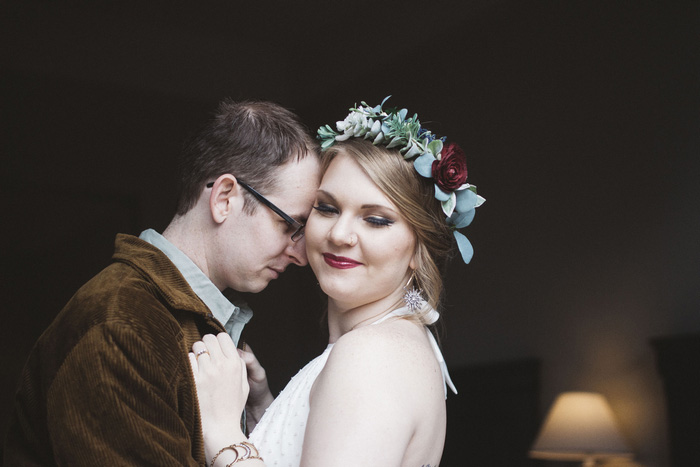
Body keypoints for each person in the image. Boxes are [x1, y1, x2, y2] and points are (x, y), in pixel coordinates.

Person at [3, 99, 322, 465]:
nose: (300, 255)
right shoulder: (122, 326)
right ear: (224, 198)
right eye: (289, 225)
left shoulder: (185, 320)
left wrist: (259, 417)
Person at [188, 98, 485, 466]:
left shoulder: (370, 356)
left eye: (376, 220)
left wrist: (220, 432)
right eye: (327, 208)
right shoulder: (397, 343)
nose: (340, 234)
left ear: (418, 246)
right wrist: (265, 409)